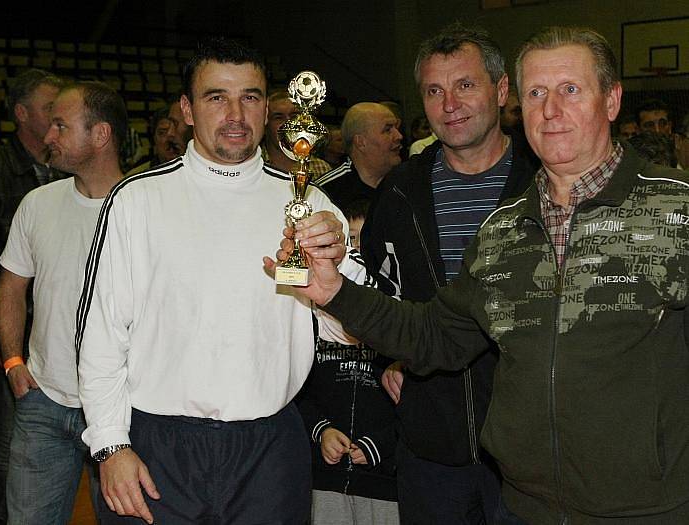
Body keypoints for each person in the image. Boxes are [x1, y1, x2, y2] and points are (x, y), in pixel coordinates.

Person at [272, 26, 689, 524]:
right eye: (537, 93)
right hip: (523, 506)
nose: (550, 110)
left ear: (613, 100)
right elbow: (434, 336)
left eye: (570, 90)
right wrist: (334, 291)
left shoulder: (675, 210)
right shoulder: (505, 229)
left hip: (651, 509)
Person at [76, 38, 357, 524]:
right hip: (157, 446)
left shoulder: (310, 205)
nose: (235, 113)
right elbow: (101, 333)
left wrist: (336, 271)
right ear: (187, 108)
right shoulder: (136, 200)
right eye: (216, 97)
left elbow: (349, 333)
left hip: (270, 448)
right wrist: (109, 446)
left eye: (249, 96)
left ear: (267, 108)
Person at [358, 22, 537, 524]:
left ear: (501, 91)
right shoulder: (398, 193)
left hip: (530, 452)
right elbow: (380, 289)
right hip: (430, 446)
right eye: (434, 91)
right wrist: (387, 359)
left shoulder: (545, 184)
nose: (449, 104)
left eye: (465, 85)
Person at [0, 80, 125, 524]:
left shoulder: (143, 208)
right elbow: (11, 285)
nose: (49, 136)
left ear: (100, 135)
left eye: (60, 125)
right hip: (42, 402)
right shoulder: (37, 204)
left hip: (123, 409)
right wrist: (13, 360)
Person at [0, 68, 63, 525]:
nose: (57, 116)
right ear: (21, 114)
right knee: (5, 448)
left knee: (44, 448)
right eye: (48, 107)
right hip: (9, 329)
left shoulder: (63, 169)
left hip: (53, 334)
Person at [297, 198, 398, 524]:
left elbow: (410, 398)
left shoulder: (394, 319)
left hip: (382, 481)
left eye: (361, 242)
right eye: (348, 240)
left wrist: (379, 445)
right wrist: (321, 430)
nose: (353, 254)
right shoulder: (309, 316)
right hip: (322, 477)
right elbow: (297, 388)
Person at [316, 102, 402, 213]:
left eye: (397, 128)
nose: (399, 136)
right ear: (361, 142)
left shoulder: (405, 181)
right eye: (387, 130)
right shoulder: (326, 192)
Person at [262, 89, 331, 176]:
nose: (288, 123)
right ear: (265, 125)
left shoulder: (321, 168)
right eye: (278, 117)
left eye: (294, 116)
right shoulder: (252, 166)